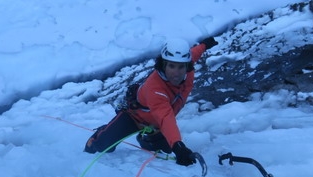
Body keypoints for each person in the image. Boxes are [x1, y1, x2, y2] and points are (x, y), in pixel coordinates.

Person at [84, 36, 218, 166]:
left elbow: (193, 54)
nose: (176, 73)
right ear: (163, 65)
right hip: (134, 118)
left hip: (156, 124)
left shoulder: (188, 69)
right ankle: (99, 135)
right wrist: (178, 145)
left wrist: (204, 45)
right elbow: (165, 117)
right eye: (171, 66)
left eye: (180, 67)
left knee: (161, 153)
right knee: (103, 145)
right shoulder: (154, 88)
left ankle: (145, 138)